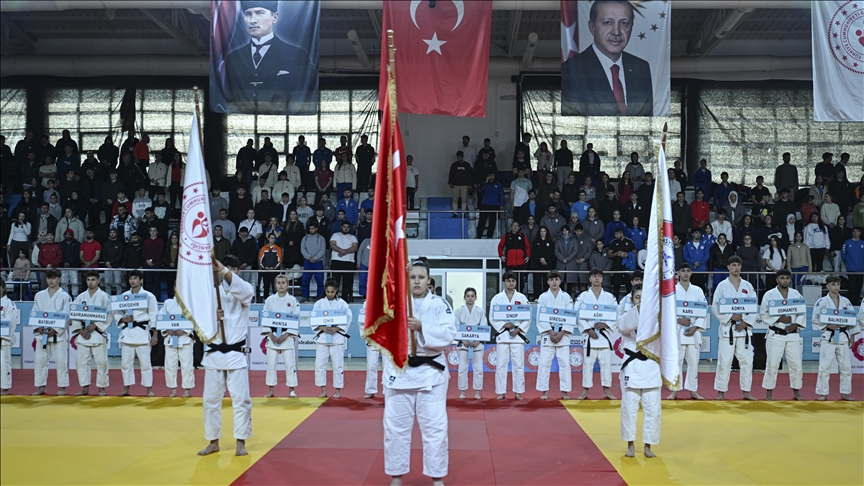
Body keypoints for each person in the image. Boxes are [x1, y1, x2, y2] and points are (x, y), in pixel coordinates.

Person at [381, 260, 455, 486]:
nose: (417, 281)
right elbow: (376, 330)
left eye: (421, 277)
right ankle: (396, 475)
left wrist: (422, 327)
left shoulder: (440, 304)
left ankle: (437, 477)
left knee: (435, 428)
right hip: (400, 372)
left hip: (430, 375)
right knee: (395, 429)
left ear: (429, 281)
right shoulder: (393, 304)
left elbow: (449, 334)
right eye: (412, 277)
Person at [198, 255, 256, 457]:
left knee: (241, 400)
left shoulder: (245, 290)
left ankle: (241, 442)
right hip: (214, 353)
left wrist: (223, 269)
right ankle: (213, 441)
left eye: (234, 268)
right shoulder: (210, 292)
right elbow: (200, 326)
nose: (229, 271)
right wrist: (212, 318)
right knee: (211, 400)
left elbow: (243, 290)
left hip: (235, 354)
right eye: (226, 268)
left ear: (239, 270)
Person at [561, 0, 653, 116]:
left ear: (631, 27)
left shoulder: (641, 68)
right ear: (592, 27)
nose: (616, 32)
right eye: (608, 22)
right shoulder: (571, 70)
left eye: (624, 23)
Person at [222, 1, 316, 113]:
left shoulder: (297, 55)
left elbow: (307, 93)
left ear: (274, 17)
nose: (252, 20)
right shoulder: (233, 58)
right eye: (248, 14)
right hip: (244, 121)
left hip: (282, 122)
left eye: (260, 13)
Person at [615, 285, 660, 458]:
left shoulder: (658, 318)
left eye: (644, 297)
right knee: (629, 408)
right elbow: (623, 327)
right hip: (632, 366)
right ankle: (630, 445)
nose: (640, 300)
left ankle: (648, 446)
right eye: (637, 297)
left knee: (652, 409)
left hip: (651, 367)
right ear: (632, 299)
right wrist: (641, 311)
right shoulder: (628, 316)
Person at [712, 256, 758, 401]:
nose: (736, 268)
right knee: (724, 361)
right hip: (728, 330)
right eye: (733, 265)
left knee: (747, 361)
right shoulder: (722, 286)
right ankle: (721, 392)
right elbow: (715, 307)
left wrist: (746, 322)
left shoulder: (748, 286)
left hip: (743, 330)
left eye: (738, 265)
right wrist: (730, 317)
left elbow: (753, 306)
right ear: (728, 267)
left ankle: (746, 391)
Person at [759, 269, 805, 401]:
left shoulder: (796, 294)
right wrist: (779, 319)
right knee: (772, 364)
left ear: (790, 280)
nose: (785, 280)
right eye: (782, 278)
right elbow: (763, 313)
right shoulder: (769, 294)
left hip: (793, 334)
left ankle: (796, 392)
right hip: (776, 333)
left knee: (796, 364)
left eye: (787, 278)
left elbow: (802, 312)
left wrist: (795, 325)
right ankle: (769, 392)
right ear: (777, 280)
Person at [813, 276, 860, 401]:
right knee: (825, 366)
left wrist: (853, 336)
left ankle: (845, 393)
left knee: (846, 366)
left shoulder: (846, 302)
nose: (836, 287)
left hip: (843, 337)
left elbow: (853, 321)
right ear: (827, 286)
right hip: (828, 336)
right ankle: (823, 393)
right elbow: (815, 320)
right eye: (833, 284)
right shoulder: (821, 302)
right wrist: (827, 325)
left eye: (838, 284)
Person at [113, 270, 158, 397]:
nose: (132, 281)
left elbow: (153, 315)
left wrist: (155, 334)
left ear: (141, 280)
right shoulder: (124, 295)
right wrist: (122, 319)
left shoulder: (149, 296)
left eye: (135, 278)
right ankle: (126, 388)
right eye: (131, 278)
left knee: (145, 363)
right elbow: (116, 311)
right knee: (126, 363)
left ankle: (149, 389)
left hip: (142, 332)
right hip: (127, 332)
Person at [576, 268, 618, 400]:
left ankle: (607, 390)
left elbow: (616, 315)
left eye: (599, 276)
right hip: (590, 337)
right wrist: (588, 329)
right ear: (590, 279)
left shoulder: (609, 297)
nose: (597, 279)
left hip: (604, 336)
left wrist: (606, 325)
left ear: (602, 278)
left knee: (606, 364)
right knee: (587, 364)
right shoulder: (583, 297)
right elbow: (577, 315)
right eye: (594, 276)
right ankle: (585, 391)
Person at [668, 264, 706, 401]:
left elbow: (703, 311)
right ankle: (674, 390)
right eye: (682, 270)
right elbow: (666, 310)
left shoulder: (698, 291)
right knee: (676, 362)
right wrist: (678, 320)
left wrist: (695, 327)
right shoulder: (672, 290)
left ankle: (693, 390)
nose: (685, 273)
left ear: (691, 273)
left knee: (693, 362)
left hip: (693, 331)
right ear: (678, 273)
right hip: (677, 332)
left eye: (688, 271)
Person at [490, 271, 530, 400]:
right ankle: (501, 392)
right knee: (501, 365)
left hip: (517, 336)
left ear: (516, 282)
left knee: (518, 365)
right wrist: (503, 325)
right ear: (504, 282)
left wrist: (519, 329)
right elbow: (492, 317)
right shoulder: (497, 298)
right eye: (508, 280)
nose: (511, 283)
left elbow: (528, 317)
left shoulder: (522, 298)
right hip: (503, 335)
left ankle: (518, 391)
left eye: (513, 280)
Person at [71, 270, 111, 397]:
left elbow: (109, 315)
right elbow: (75, 315)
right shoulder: (80, 297)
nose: (91, 282)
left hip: (98, 333)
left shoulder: (104, 296)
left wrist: (96, 325)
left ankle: (101, 388)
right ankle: (85, 387)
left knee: (102, 362)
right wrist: (80, 330)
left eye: (93, 280)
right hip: (84, 334)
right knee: (81, 362)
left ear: (98, 281)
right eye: (88, 280)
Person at [536, 271, 575, 400]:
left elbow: (570, 316)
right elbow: (540, 317)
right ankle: (544, 391)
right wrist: (551, 332)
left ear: (560, 281)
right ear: (548, 282)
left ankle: (565, 391)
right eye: (551, 279)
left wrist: (562, 332)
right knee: (544, 363)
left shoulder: (566, 297)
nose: (554, 282)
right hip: (549, 333)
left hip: (563, 334)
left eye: (556, 279)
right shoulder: (543, 297)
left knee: (564, 363)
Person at [32, 269, 71, 396]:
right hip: (42, 334)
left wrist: (56, 330)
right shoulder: (39, 295)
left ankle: (62, 387)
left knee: (61, 361)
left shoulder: (65, 296)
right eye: (49, 278)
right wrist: (39, 328)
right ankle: (41, 386)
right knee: (40, 361)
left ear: (59, 279)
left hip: (57, 335)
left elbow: (66, 316)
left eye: (54, 278)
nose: (51, 281)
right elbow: (35, 313)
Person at [262, 274, 300, 398]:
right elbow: (265, 318)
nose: (281, 285)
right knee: (271, 364)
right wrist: (270, 334)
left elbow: (296, 318)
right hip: (272, 334)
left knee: (290, 364)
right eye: (278, 283)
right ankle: (271, 389)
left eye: (283, 282)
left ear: (288, 285)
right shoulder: (269, 300)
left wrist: (287, 334)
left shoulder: (293, 300)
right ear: (275, 285)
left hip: (287, 335)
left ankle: (291, 389)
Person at [312, 279, 351, 399]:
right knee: (320, 365)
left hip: (337, 337)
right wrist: (321, 327)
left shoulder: (342, 304)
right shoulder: (319, 303)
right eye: (328, 291)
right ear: (325, 291)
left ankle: (337, 390)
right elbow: (313, 318)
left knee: (338, 365)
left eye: (332, 291)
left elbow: (348, 317)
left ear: (336, 290)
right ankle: (323, 390)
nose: (330, 294)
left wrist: (337, 328)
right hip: (322, 338)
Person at [455, 288, 487, 400]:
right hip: (463, 344)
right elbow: (456, 327)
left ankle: (477, 391)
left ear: (475, 297)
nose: (470, 298)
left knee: (478, 369)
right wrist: (462, 340)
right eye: (468, 296)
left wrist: (478, 341)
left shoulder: (480, 311)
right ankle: (462, 391)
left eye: (472, 296)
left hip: (477, 345)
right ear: (464, 297)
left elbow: (483, 328)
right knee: (462, 369)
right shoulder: (458, 311)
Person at [159, 296, 195, 398]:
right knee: (170, 365)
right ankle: (173, 390)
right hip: (170, 338)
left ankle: (187, 390)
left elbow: (195, 319)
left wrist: (184, 330)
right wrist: (167, 329)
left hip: (185, 338)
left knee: (187, 365)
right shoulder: (168, 303)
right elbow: (161, 317)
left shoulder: (191, 302)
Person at [330, 221, 358, 303]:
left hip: (349, 262)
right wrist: (341, 250)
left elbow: (355, 248)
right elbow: (332, 245)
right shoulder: (335, 235)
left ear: (349, 228)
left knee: (347, 283)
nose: (346, 228)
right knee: (335, 282)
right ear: (341, 227)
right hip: (336, 261)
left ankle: (345, 300)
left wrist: (344, 251)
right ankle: (334, 299)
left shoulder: (353, 237)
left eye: (347, 227)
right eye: (344, 227)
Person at [1, 279, 18, 395]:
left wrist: (3, 337)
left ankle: (5, 387)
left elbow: (11, 322)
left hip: (3, 340)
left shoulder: (8, 303)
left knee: (3, 363)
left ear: (3, 288)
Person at [301, 223, 326, 303]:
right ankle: (305, 297)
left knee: (319, 280)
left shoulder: (321, 238)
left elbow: (323, 250)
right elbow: (303, 250)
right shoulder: (305, 238)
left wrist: (315, 258)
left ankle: (320, 297)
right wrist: (309, 257)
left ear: (316, 229)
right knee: (305, 280)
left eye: (313, 228)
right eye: (310, 228)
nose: (311, 230)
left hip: (318, 262)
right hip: (308, 262)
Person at [476, 171, 504, 239]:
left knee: (492, 221)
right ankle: (478, 235)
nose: (491, 177)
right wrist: (486, 182)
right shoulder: (484, 183)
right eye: (490, 175)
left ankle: (489, 236)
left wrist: (501, 204)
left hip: (495, 205)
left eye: (492, 175)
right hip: (485, 204)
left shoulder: (498, 184)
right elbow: (479, 190)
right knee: (482, 221)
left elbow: (501, 195)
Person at [448, 151, 473, 218]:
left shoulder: (467, 165)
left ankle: (463, 213)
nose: (459, 159)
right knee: (454, 200)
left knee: (464, 200)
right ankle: (455, 213)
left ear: (462, 157)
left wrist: (470, 184)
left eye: (460, 157)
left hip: (465, 185)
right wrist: (450, 182)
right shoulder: (454, 165)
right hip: (455, 185)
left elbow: (470, 175)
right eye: (458, 157)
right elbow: (451, 174)